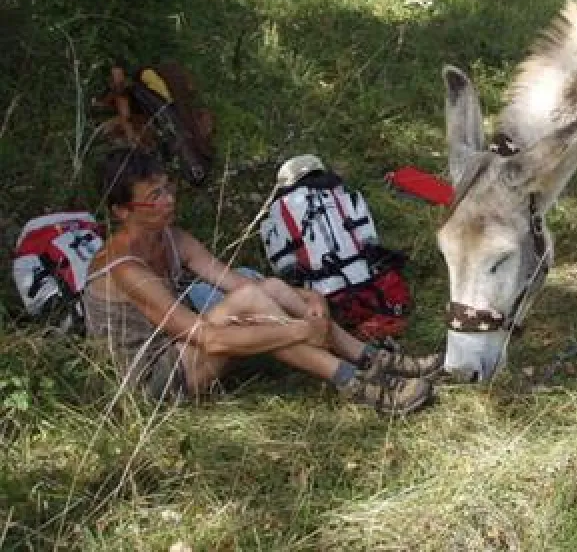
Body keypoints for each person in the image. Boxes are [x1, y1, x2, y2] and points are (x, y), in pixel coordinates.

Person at [83, 146, 442, 415]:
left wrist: (309, 297)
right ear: (121, 211)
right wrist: (301, 330)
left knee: (264, 290)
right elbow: (205, 336)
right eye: (154, 197)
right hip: (155, 381)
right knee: (253, 303)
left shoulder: (172, 239)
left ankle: (374, 359)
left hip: (188, 353)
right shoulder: (122, 267)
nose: (168, 200)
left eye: (167, 188)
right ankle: (360, 384)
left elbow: (237, 283)